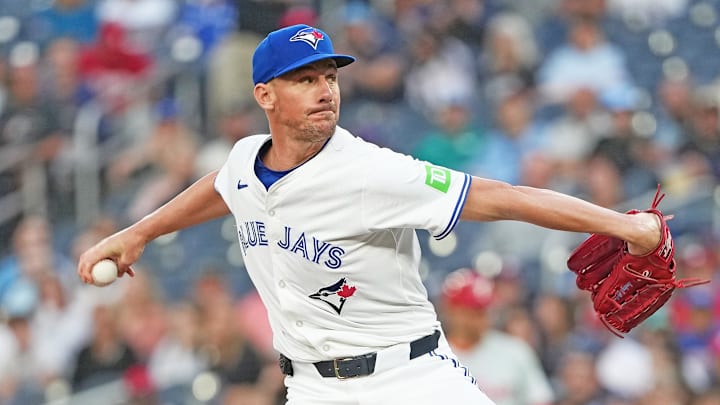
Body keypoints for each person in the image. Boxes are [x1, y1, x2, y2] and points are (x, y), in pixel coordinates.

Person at [78, 24, 666, 405]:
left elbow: (500, 196)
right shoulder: (241, 162)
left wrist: (621, 224)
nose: (325, 90)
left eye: (329, 77)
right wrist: (139, 233)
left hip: (411, 380)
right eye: (304, 80)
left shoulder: (371, 171)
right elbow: (223, 186)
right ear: (264, 96)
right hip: (311, 386)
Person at [440, 268, 554, 405]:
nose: (483, 318)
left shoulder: (515, 350)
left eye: (486, 310)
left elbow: (539, 399)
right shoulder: (436, 357)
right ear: (452, 311)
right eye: (475, 311)